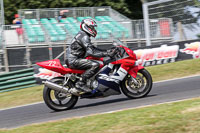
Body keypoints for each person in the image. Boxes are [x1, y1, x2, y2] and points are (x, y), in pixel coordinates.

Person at [66, 19, 117, 93]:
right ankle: (80, 83)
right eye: (92, 27)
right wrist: (107, 54)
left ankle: (89, 82)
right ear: (86, 27)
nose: (93, 29)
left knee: (96, 61)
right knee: (95, 65)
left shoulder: (82, 35)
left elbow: (93, 48)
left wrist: (107, 51)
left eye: (93, 28)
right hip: (74, 60)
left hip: (74, 59)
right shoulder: (84, 37)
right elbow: (91, 52)